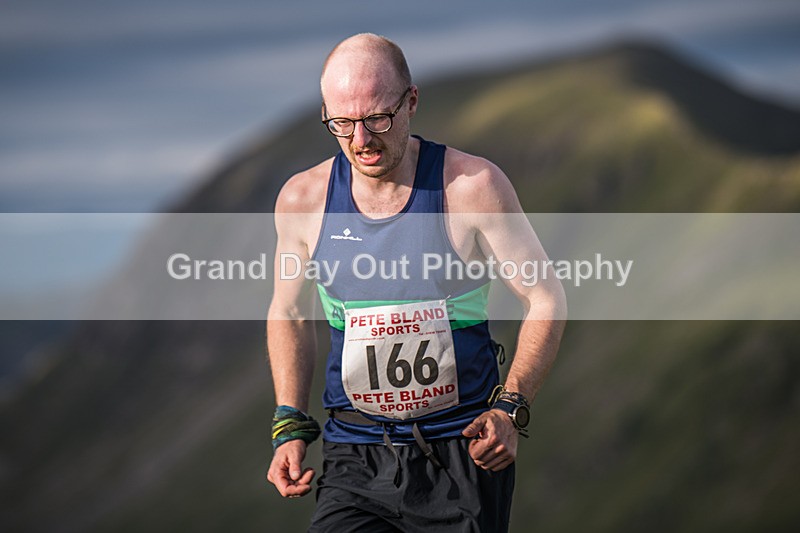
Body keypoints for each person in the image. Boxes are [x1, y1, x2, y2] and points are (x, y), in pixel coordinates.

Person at [266, 33, 566, 532]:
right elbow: (289, 311)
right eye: (341, 123)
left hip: (461, 453)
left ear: (411, 101)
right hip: (354, 455)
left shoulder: (471, 188)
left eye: (377, 119)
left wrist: (511, 407)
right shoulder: (303, 199)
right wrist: (289, 422)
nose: (361, 140)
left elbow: (545, 297)